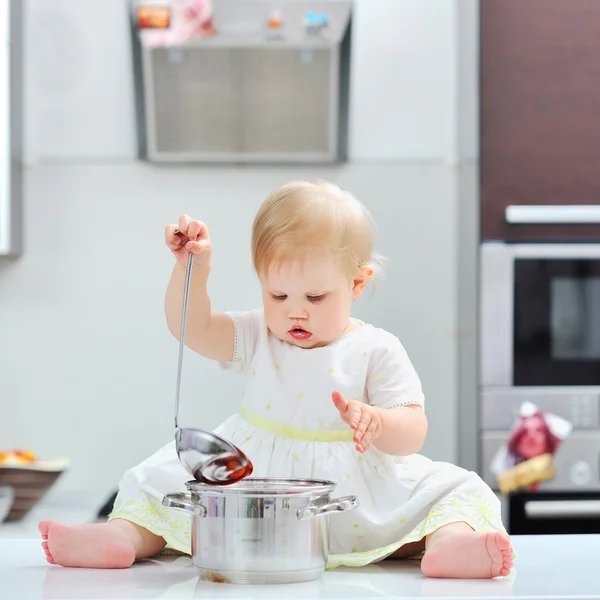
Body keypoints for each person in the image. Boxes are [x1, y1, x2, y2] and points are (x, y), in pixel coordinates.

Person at [39, 180, 513, 579]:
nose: (294, 310)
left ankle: (450, 547)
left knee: (458, 490)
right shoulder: (257, 333)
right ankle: (121, 538)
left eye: (315, 295)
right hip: (251, 479)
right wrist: (192, 271)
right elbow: (192, 328)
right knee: (152, 482)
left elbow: (414, 428)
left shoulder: (375, 347)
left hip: (344, 496)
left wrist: (379, 423)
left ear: (357, 284)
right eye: (278, 293)